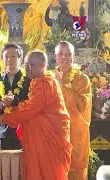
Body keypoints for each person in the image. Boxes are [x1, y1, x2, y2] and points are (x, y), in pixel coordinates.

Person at [0, 50, 72, 180]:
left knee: (49, 173)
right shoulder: (38, 81)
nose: (26, 68)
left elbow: (30, 109)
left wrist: (3, 118)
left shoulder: (45, 84)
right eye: (26, 64)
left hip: (48, 140)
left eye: (31, 65)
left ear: (42, 65)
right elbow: (30, 106)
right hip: (40, 138)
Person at [0, 43, 30, 150]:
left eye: (13, 56)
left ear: (20, 59)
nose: (9, 59)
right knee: (4, 165)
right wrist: (1, 104)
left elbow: (32, 103)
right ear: (3, 59)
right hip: (3, 132)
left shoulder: (28, 80)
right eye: (6, 57)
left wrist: (14, 101)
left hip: (24, 131)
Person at [54, 41, 92, 180]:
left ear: (73, 57)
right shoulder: (49, 78)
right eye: (61, 54)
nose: (64, 57)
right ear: (55, 57)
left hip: (76, 137)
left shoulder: (82, 79)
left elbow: (82, 106)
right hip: (55, 137)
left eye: (68, 54)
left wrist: (62, 86)